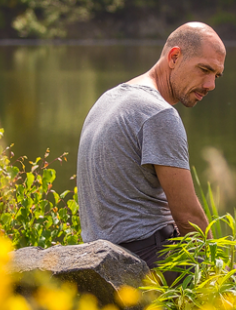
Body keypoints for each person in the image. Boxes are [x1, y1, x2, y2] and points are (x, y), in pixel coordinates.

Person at [76, 22, 224, 267]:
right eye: (204, 70)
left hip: (100, 256)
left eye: (216, 75)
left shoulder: (109, 98)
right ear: (174, 57)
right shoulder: (158, 113)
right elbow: (189, 217)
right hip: (149, 258)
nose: (211, 85)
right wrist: (221, 277)